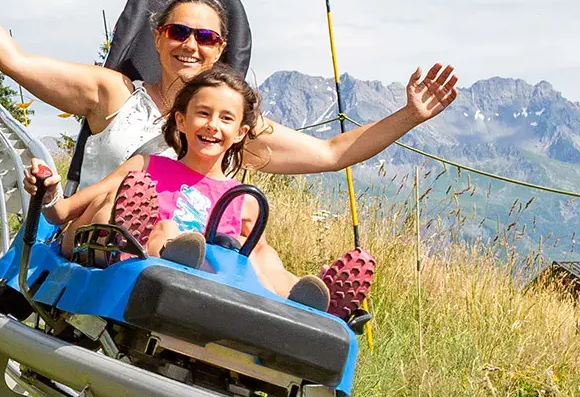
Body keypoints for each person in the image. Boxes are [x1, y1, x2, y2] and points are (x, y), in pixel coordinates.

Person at [0, 0, 459, 289]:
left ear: (221, 50)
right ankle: (146, 242)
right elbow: (14, 60)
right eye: (178, 32)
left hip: (193, 262)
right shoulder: (112, 93)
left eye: (206, 38)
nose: (190, 46)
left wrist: (409, 115)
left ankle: (304, 299)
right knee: (131, 206)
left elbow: (333, 153)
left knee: (252, 241)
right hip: (98, 243)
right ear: (157, 37)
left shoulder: (232, 127)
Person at [23, 67, 366, 313]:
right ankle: (146, 249)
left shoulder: (241, 199)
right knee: (160, 224)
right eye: (203, 113)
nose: (212, 125)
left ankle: (310, 300)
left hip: (207, 287)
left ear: (241, 133)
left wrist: (282, 278)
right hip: (118, 259)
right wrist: (48, 192)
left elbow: (259, 257)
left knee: (256, 254)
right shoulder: (147, 166)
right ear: (181, 120)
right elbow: (62, 213)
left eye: (226, 118)